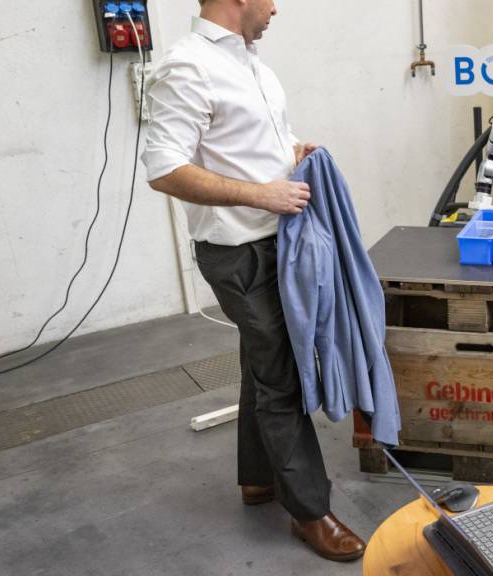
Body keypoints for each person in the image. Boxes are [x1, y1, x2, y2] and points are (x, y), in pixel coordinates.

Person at [141, 0, 364, 563]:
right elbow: (165, 167)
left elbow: (251, 150)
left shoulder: (255, 66)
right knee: (281, 374)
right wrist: (259, 194)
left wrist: (294, 156)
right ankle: (310, 511)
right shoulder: (186, 66)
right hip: (237, 253)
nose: (276, 7)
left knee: (261, 363)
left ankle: (258, 480)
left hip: (279, 244)